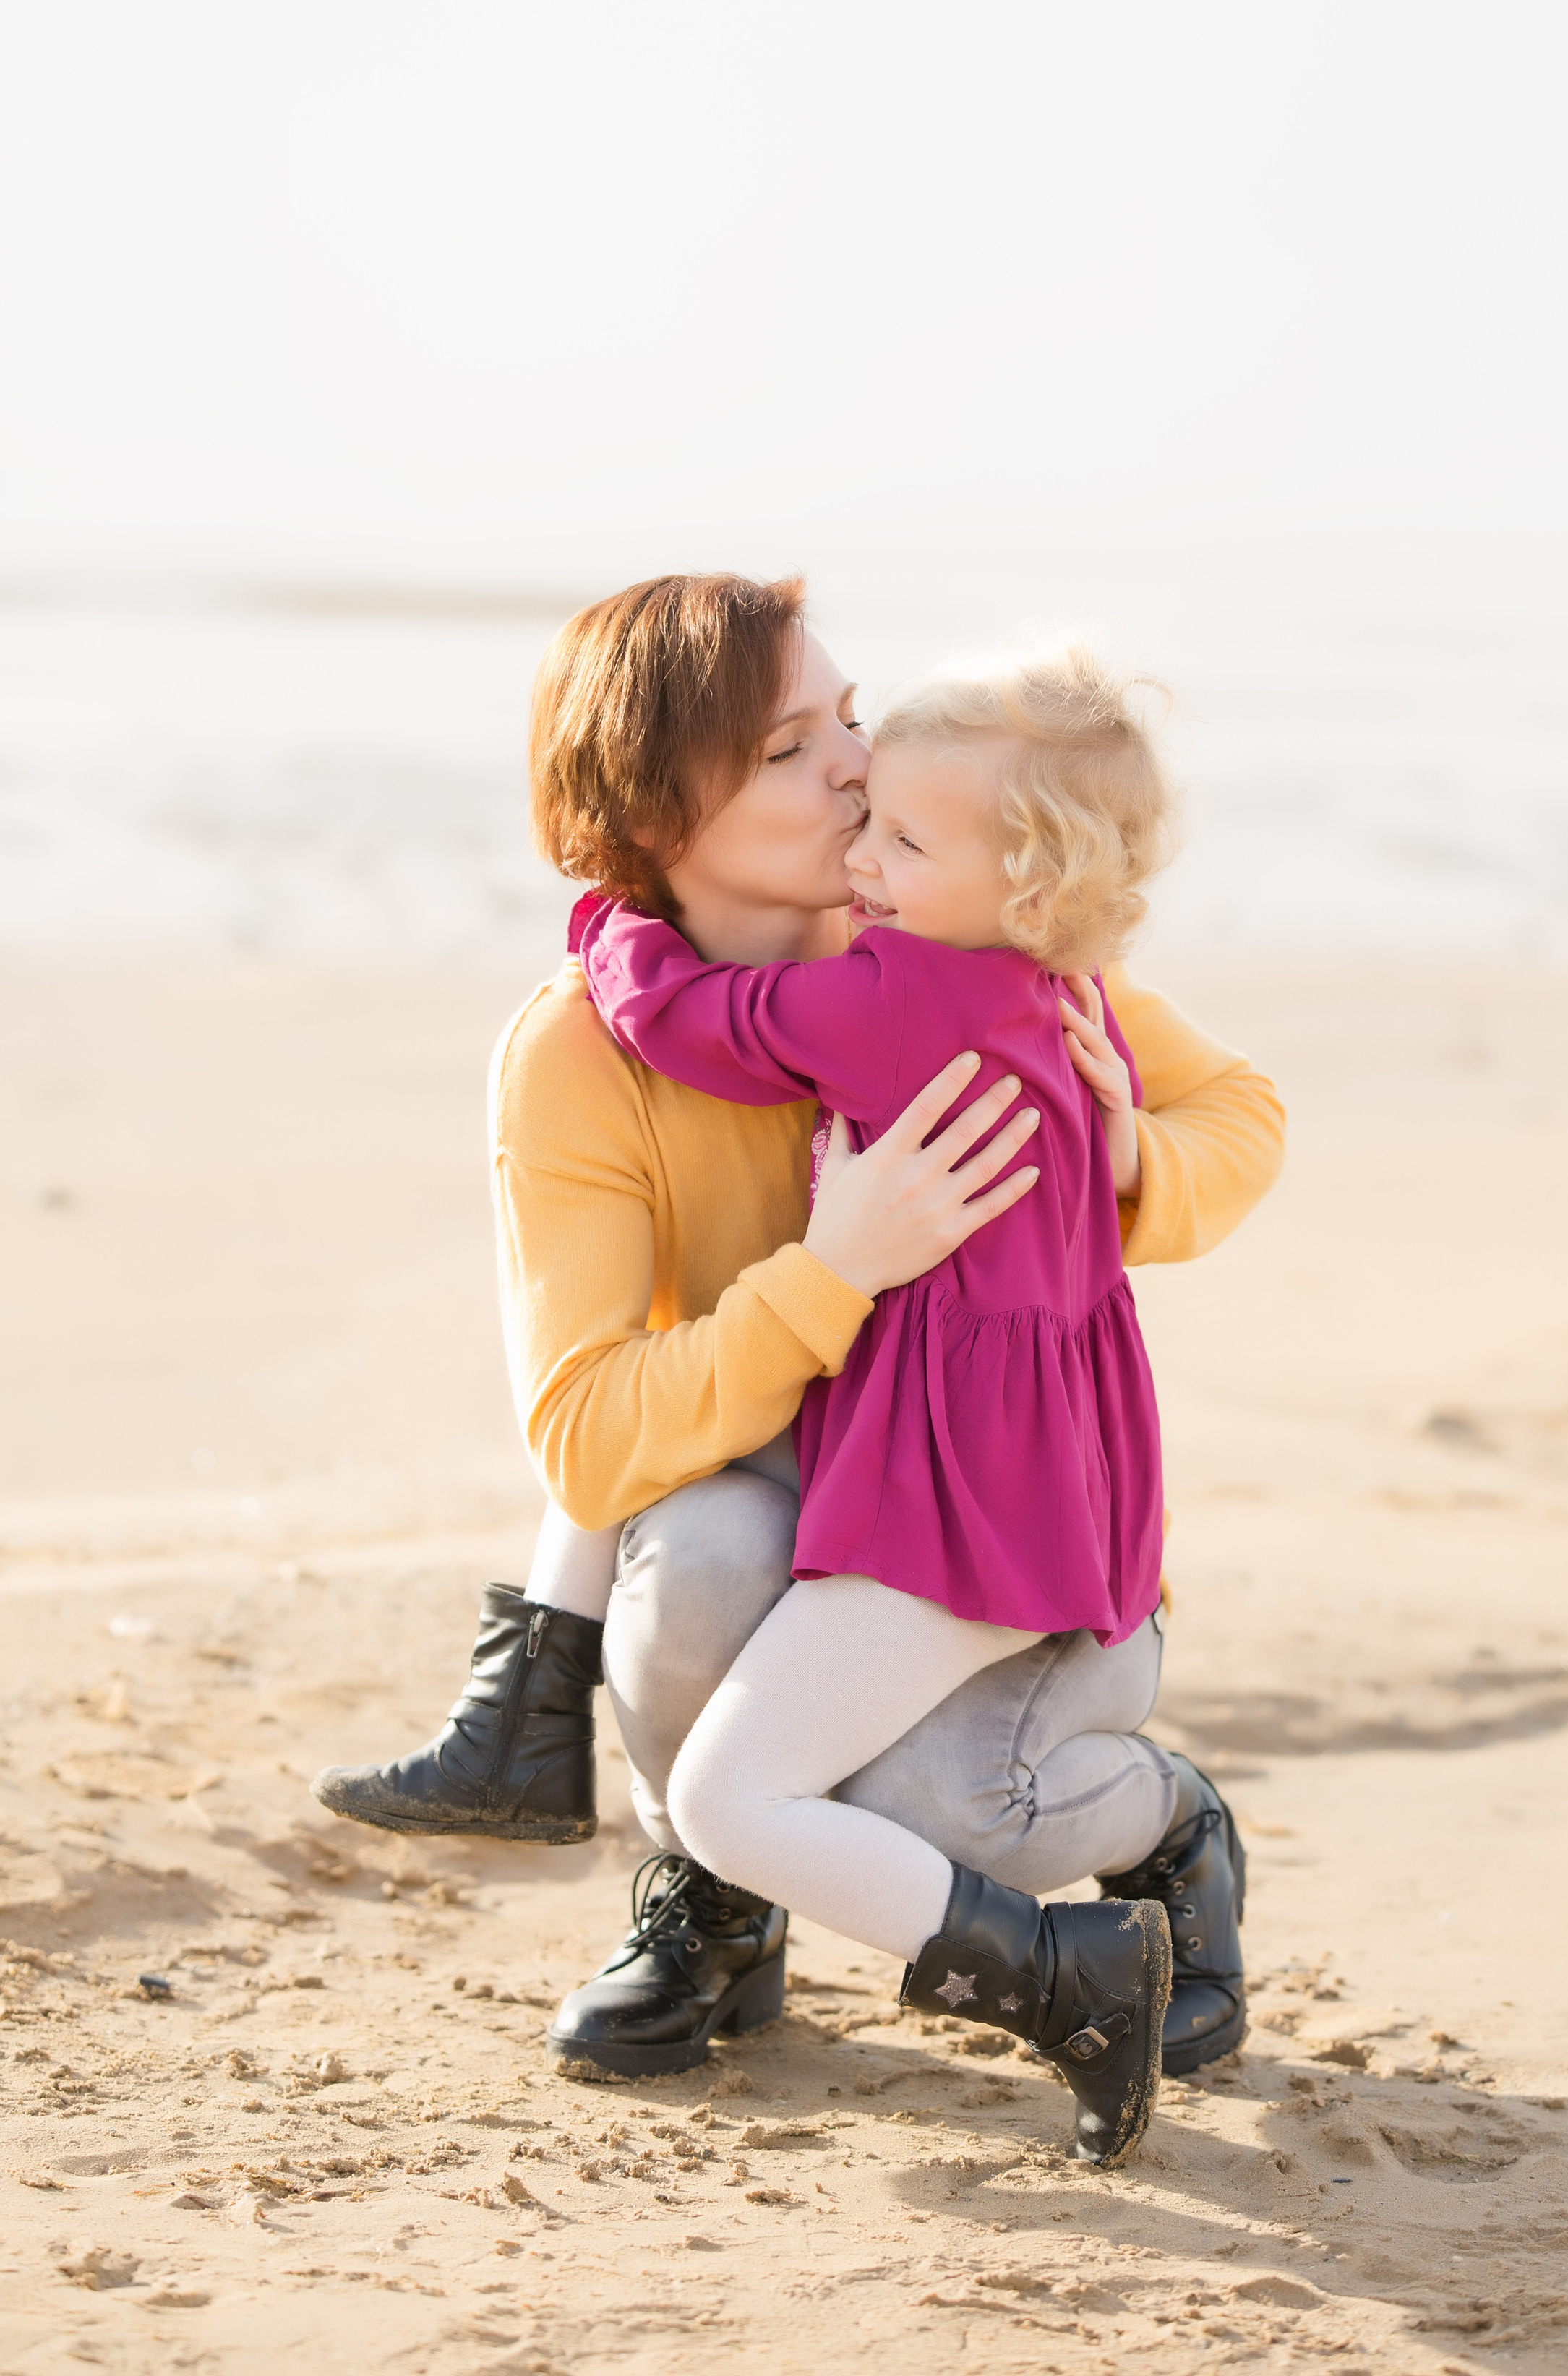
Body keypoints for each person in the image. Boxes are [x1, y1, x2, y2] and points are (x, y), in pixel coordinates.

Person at [312, 575, 1283, 2127]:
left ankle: (1166, 1828)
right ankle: (713, 1902)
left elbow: (1241, 1110)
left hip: (1012, 1510)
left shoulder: (947, 920)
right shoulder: (583, 1052)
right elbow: (586, 1441)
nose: (854, 762)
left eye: (849, 716)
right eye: (790, 748)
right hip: (825, 1496)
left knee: (946, 1810)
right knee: (699, 1554)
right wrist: (834, 1271)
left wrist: (1121, 1159)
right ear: (656, 815)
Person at [574, 642, 1199, 2166]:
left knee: (731, 1804)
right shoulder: (1051, 988)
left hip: (954, 1502)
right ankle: (1062, 1964)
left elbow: (695, 1022)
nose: (861, 858)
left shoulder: (903, 995)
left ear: (1029, 888)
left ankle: (1066, 1977)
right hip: (1048, 1473)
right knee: (778, 1779)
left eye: (904, 844)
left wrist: (609, 925)